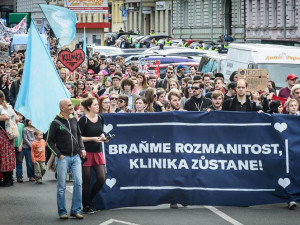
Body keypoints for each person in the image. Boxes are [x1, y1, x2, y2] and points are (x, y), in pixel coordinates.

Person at [47, 99, 86, 219]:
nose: (72, 107)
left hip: (76, 157)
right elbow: (49, 141)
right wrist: (58, 154)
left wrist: (82, 148)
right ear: (62, 108)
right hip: (63, 158)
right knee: (61, 186)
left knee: (79, 183)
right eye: (69, 105)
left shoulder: (74, 119)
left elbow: (78, 135)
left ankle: (76, 210)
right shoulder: (55, 122)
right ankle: (62, 211)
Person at [79, 97, 109, 214]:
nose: (97, 106)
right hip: (86, 152)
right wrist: (92, 139)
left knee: (102, 178)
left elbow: (100, 132)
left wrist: (104, 137)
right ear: (89, 107)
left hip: (98, 152)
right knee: (86, 181)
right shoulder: (83, 120)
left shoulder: (101, 118)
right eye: (95, 105)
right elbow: (78, 137)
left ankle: (89, 200)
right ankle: (85, 205)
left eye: (97, 104)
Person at [0, 90, 15, 187]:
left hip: (2, 134)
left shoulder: (1, 107)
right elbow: (17, 118)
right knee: (7, 157)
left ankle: (7, 180)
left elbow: (5, 117)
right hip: (8, 134)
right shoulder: (8, 107)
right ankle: (9, 178)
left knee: (4, 157)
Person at [15, 114, 25, 183]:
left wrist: (21, 145)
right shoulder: (9, 124)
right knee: (11, 162)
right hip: (11, 145)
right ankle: (9, 176)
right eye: (17, 115)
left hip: (19, 145)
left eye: (20, 116)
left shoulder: (22, 125)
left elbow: (23, 137)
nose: (19, 117)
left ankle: (19, 176)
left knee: (19, 161)